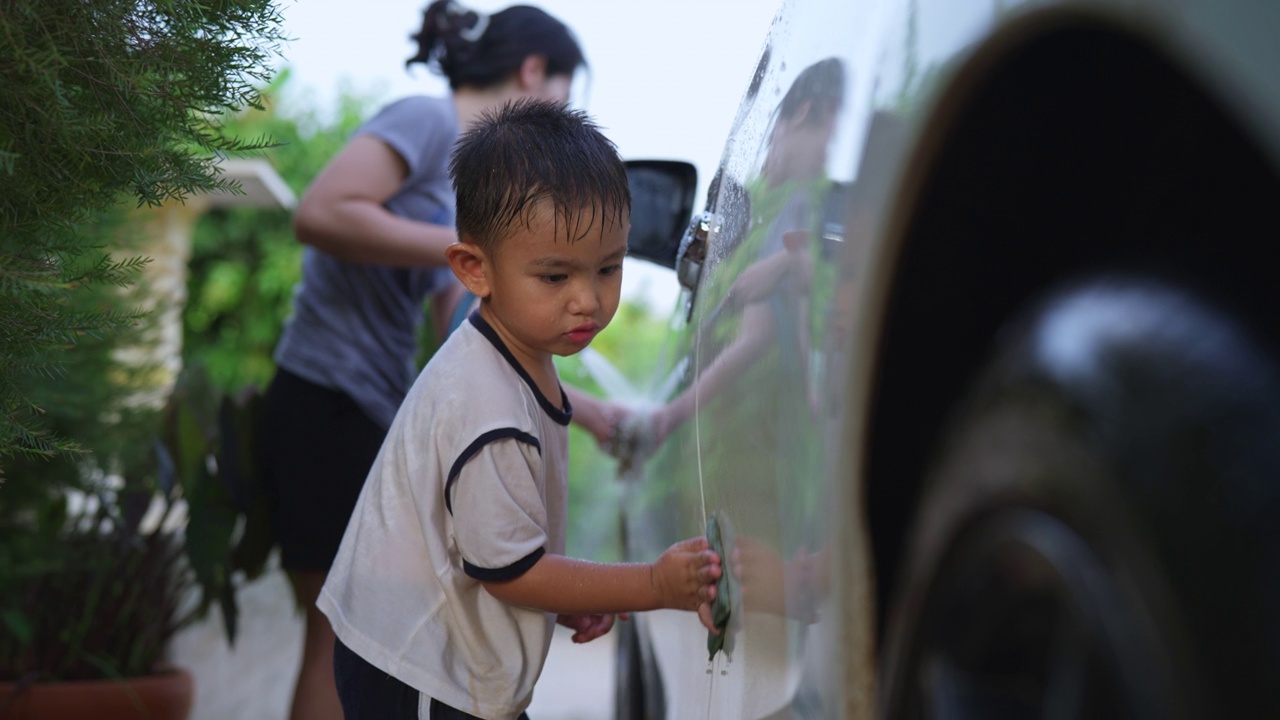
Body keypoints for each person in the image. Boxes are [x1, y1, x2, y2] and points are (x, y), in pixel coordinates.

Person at [254, 4, 615, 718]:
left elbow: (468, 323)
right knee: (343, 636)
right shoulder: (429, 119)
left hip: (361, 408)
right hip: (322, 398)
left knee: (352, 638)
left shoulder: (473, 189)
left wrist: (594, 413)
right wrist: (476, 249)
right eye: (561, 100)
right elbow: (321, 211)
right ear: (534, 72)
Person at [317, 98, 722, 720]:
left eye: (608, 268)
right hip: (420, 666)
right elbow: (513, 573)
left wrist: (559, 594)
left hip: (431, 645)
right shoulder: (486, 404)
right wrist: (653, 585)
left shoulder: (512, 354)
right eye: (555, 277)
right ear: (474, 269)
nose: (588, 300)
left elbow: (491, 547)